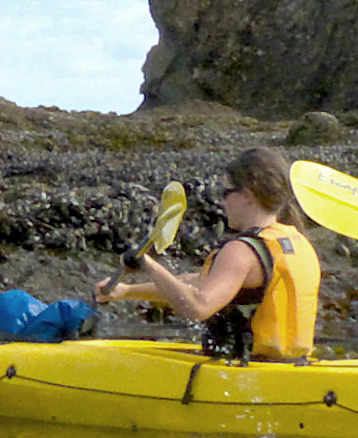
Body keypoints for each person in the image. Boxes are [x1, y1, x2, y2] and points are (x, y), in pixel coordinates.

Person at [95, 146, 322, 361]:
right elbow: (202, 284)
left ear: (248, 194)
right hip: (294, 366)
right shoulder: (297, 240)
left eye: (226, 192)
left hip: (245, 375)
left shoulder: (241, 251)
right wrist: (127, 291)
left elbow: (197, 306)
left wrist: (148, 264)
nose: (223, 202)